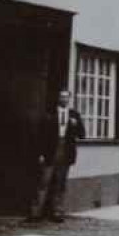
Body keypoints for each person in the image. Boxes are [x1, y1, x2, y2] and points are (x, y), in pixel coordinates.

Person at [29, 90, 85, 223]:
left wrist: (75, 125)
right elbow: (41, 135)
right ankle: (35, 213)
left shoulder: (74, 115)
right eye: (61, 97)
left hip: (65, 151)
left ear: (69, 99)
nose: (64, 99)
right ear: (58, 98)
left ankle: (57, 212)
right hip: (50, 151)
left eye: (66, 97)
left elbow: (82, 134)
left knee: (60, 184)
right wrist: (41, 154)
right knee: (43, 182)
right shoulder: (49, 114)